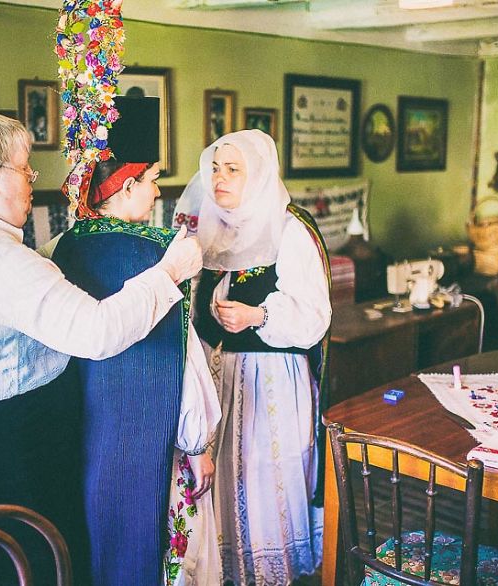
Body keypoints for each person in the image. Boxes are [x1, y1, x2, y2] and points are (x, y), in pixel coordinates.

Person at [0, 110, 202, 586]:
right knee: (33, 563)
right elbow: (98, 332)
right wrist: (169, 273)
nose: (30, 179)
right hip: (5, 438)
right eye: (24, 169)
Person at [48, 97, 222, 586]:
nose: (157, 189)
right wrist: (197, 443)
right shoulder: (163, 251)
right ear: (127, 185)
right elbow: (181, 357)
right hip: (154, 430)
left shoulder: (62, 247)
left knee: (102, 539)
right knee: (159, 548)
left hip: (88, 432)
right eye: (151, 179)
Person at [175, 129, 332, 585]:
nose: (220, 179)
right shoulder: (207, 229)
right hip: (217, 379)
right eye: (216, 168)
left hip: (271, 380)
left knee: (264, 476)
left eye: (234, 169)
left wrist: (257, 315)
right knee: (225, 479)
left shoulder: (290, 230)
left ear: (259, 175)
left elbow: (313, 316)